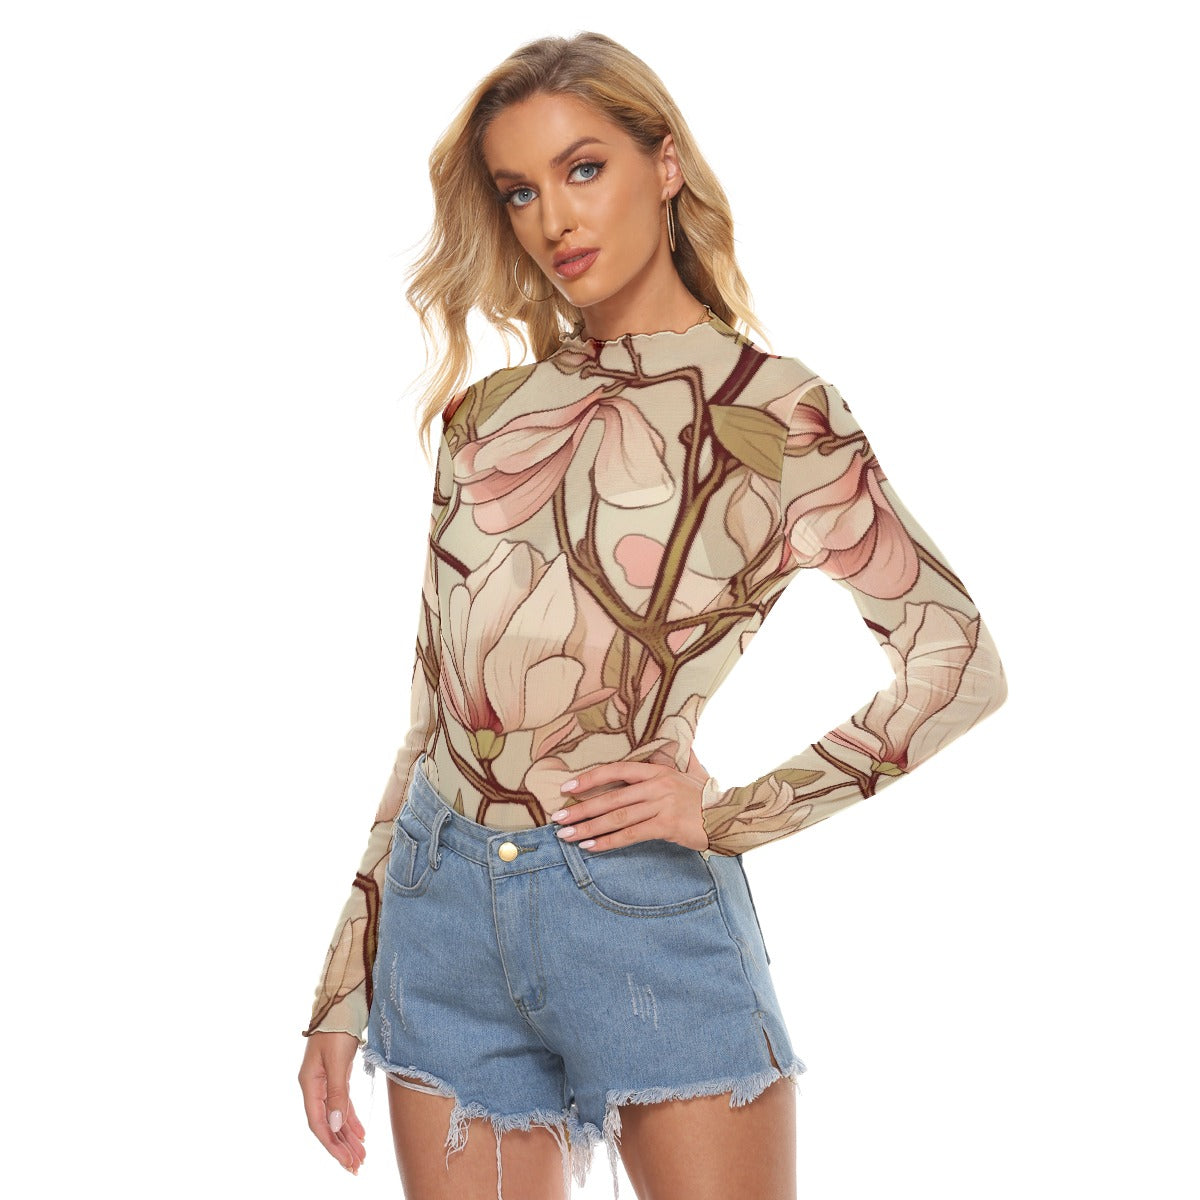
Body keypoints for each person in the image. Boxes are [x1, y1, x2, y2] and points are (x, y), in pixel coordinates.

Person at [297, 30, 1008, 1200]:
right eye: (520, 191)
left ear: (664, 164)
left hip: (635, 911)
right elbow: (431, 719)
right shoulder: (487, 417)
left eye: (584, 169)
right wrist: (342, 985)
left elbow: (957, 660)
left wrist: (729, 815)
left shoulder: (776, 415)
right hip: (438, 910)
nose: (553, 220)